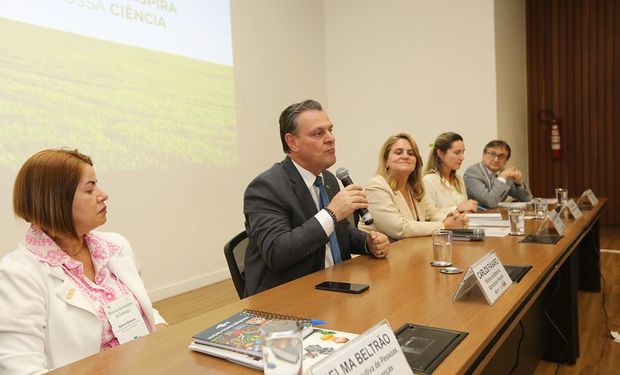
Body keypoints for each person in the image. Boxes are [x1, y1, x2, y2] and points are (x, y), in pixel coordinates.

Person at [0, 149, 166, 374]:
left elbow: (144, 311)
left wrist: (167, 339)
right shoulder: (17, 274)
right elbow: (21, 368)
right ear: (55, 200)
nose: (103, 194)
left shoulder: (116, 247)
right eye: (90, 189)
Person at [243, 99, 390, 297]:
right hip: (288, 298)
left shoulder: (327, 178)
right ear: (292, 142)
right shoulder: (266, 187)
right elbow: (277, 253)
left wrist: (367, 243)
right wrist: (332, 212)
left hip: (336, 286)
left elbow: (339, 231)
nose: (331, 138)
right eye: (318, 133)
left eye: (330, 130)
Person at [358, 133, 468, 241]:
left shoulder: (414, 188)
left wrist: (454, 218)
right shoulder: (376, 186)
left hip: (406, 252)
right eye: (398, 152)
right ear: (386, 161)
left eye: (411, 153)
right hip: (376, 256)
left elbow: (432, 213)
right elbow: (399, 228)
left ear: (416, 162)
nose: (405, 156)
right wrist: (444, 225)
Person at [463, 140, 533, 208]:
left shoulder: (505, 173)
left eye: (501, 156)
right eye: (492, 154)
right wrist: (502, 177)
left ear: (506, 161)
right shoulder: (472, 172)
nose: (496, 159)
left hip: (498, 216)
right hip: (478, 217)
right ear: (483, 154)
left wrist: (519, 183)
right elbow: (490, 202)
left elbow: (527, 199)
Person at [423, 132, 478, 213]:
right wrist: (457, 208)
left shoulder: (459, 180)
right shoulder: (428, 181)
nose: (462, 158)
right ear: (440, 153)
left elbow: (465, 210)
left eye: (463, 152)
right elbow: (429, 215)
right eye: (457, 153)